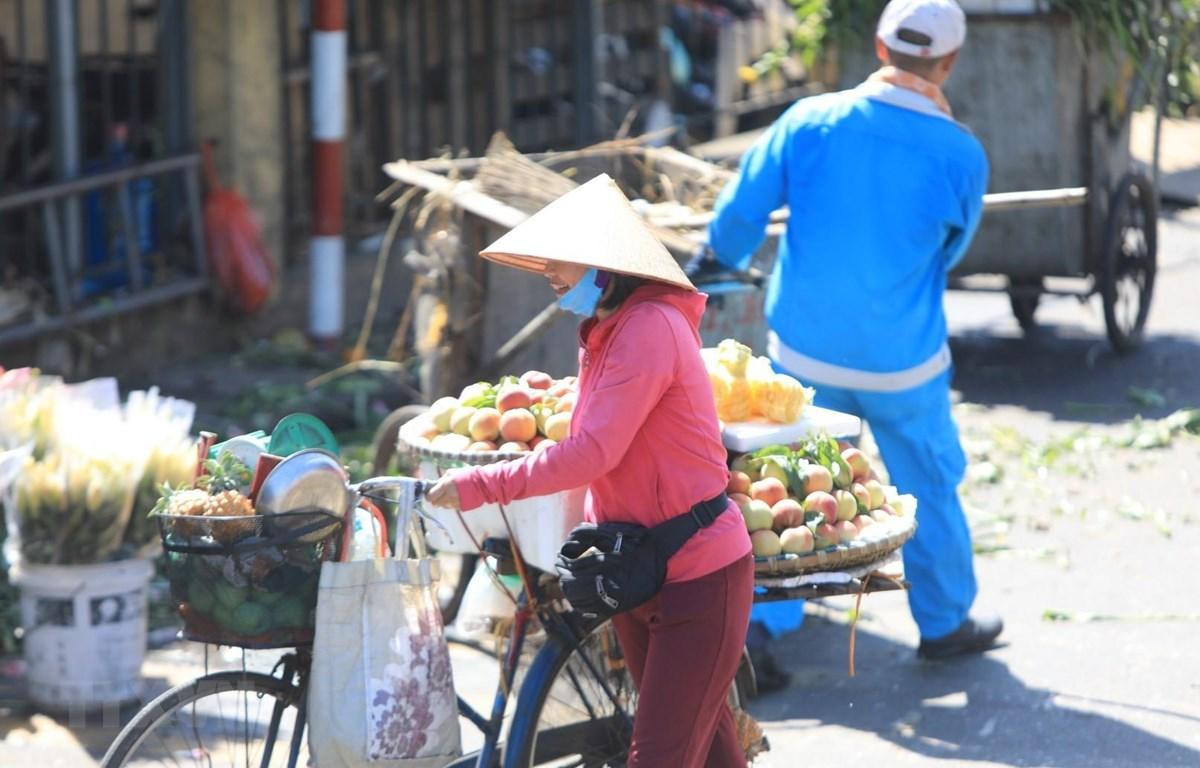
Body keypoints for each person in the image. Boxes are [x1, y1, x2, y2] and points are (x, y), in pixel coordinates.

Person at [701, 0, 1002, 663]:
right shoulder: (962, 155)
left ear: (878, 44)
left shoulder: (809, 121)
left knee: (783, 479)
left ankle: (765, 630)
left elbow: (735, 223)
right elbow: (950, 253)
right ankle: (946, 619)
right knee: (926, 479)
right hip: (905, 361)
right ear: (948, 62)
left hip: (805, 356)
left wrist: (719, 256)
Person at [426, 174, 754, 767]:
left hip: (698, 577)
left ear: (607, 266)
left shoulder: (649, 327)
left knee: (656, 757)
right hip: (636, 571)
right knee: (709, 756)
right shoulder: (606, 332)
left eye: (563, 261)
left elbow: (590, 453)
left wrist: (481, 485)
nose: (549, 272)